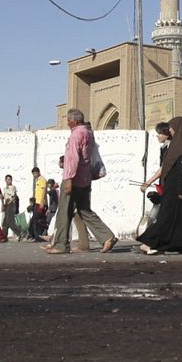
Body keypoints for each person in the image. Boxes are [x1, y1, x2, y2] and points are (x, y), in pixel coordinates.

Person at [44, 109, 118, 254]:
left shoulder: (76, 135)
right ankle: (107, 237)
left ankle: (60, 245)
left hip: (74, 180)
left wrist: (68, 179)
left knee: (64, 212)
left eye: (69, 120)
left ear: (75, 121)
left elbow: (73, 158)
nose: (67, 123)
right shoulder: (89, 133)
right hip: (85, 179)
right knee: (84, 210)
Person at [135, 117, 182, 255]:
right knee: (171, 217)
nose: (169, 130)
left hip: (180, 188)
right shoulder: (176, 147)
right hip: (174, 188)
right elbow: (166, 168)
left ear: (180, 128)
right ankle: (150, 243)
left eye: (171, 127)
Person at [27, 167, 48, 241]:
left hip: (40, 203)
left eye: (35, 173)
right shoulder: (37, 180)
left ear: (39, 172)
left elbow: (44, 191)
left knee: (36, 219)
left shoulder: (42, 180)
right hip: (36, 202)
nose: (34, 175)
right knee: (35, 219)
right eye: (33, 174)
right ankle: (34, 235)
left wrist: (42, 202)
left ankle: (37, 236)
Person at [0, 174, 21, 241]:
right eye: (8, 179)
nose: (9, 181)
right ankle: (4, 236)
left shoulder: (13, 187)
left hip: (11, 205)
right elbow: (4, 197)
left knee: (10, 222)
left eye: (10, 179)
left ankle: (20, 233)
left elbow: (14, 197)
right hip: (6, 205)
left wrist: (8, 203)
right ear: (5, 180)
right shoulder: (5, 188)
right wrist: (3, 203)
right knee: (5, 222)